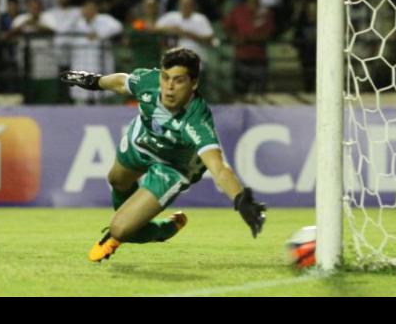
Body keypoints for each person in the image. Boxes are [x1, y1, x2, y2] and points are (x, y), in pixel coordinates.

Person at [60, 47, 267, 262]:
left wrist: (241, 200)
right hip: (142, 140)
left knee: (120, 230)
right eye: (165, 77)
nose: (169, 87)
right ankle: (134, 223)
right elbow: (123, 82)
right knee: (116, 179)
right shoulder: (149, 81)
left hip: (173, 167)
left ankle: (163, 230)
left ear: (194, 83)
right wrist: (94, 81)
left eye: (178, 81)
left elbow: (218, 167)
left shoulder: (196, 119)